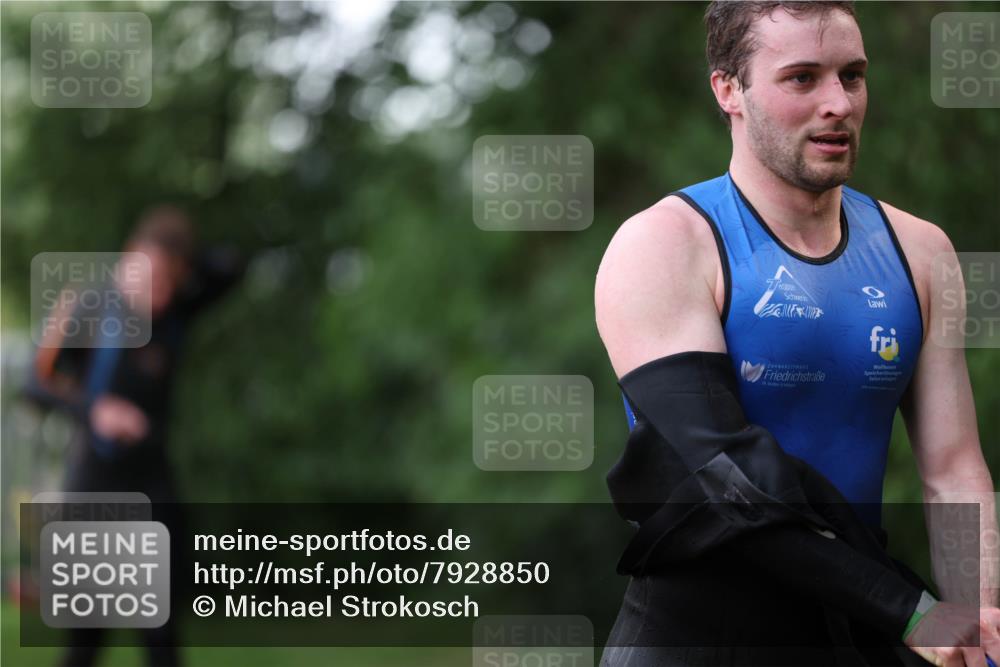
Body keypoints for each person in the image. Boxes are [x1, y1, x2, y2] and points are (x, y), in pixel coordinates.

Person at [594, 2, 999, 665]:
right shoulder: (666, 245)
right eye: (802, 78)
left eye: (853, 75)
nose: (838, 102)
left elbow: (953, 471)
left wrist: (980, 628)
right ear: (729, 89)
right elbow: (727, 476)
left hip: (858, 633)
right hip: (697, 642)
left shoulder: (922, 253)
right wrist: (913, 611)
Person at [26, 205, 244, 667]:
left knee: (160, 634)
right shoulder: (86, 304)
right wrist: (95, 410)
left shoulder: (176, 312)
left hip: (152, 484)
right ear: (129, 259)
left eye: (169, 283)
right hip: (93, 482)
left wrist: (179, 258)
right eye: (151, 279)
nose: (157, 294)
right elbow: (34, 383)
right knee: (86, 639)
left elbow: (232, 266)